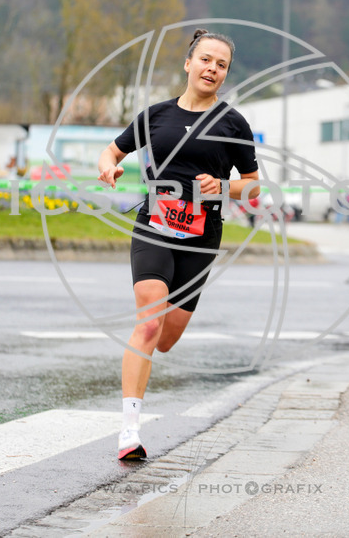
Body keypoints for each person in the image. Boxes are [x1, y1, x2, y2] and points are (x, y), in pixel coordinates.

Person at [97, 29, 260, 460]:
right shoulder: (155, 116)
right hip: (153, 224)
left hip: (201, 236)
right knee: (148, 322)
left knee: (166, 339)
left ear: (225, 74)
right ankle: (129, 431)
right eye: (205, 60)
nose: (212, 69)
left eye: (221, 65)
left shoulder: (232, 123)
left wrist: (224, 186)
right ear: (188, 64)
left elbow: (253, 187)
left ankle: (142, 391)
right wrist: (108, 168)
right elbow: (111, 151)